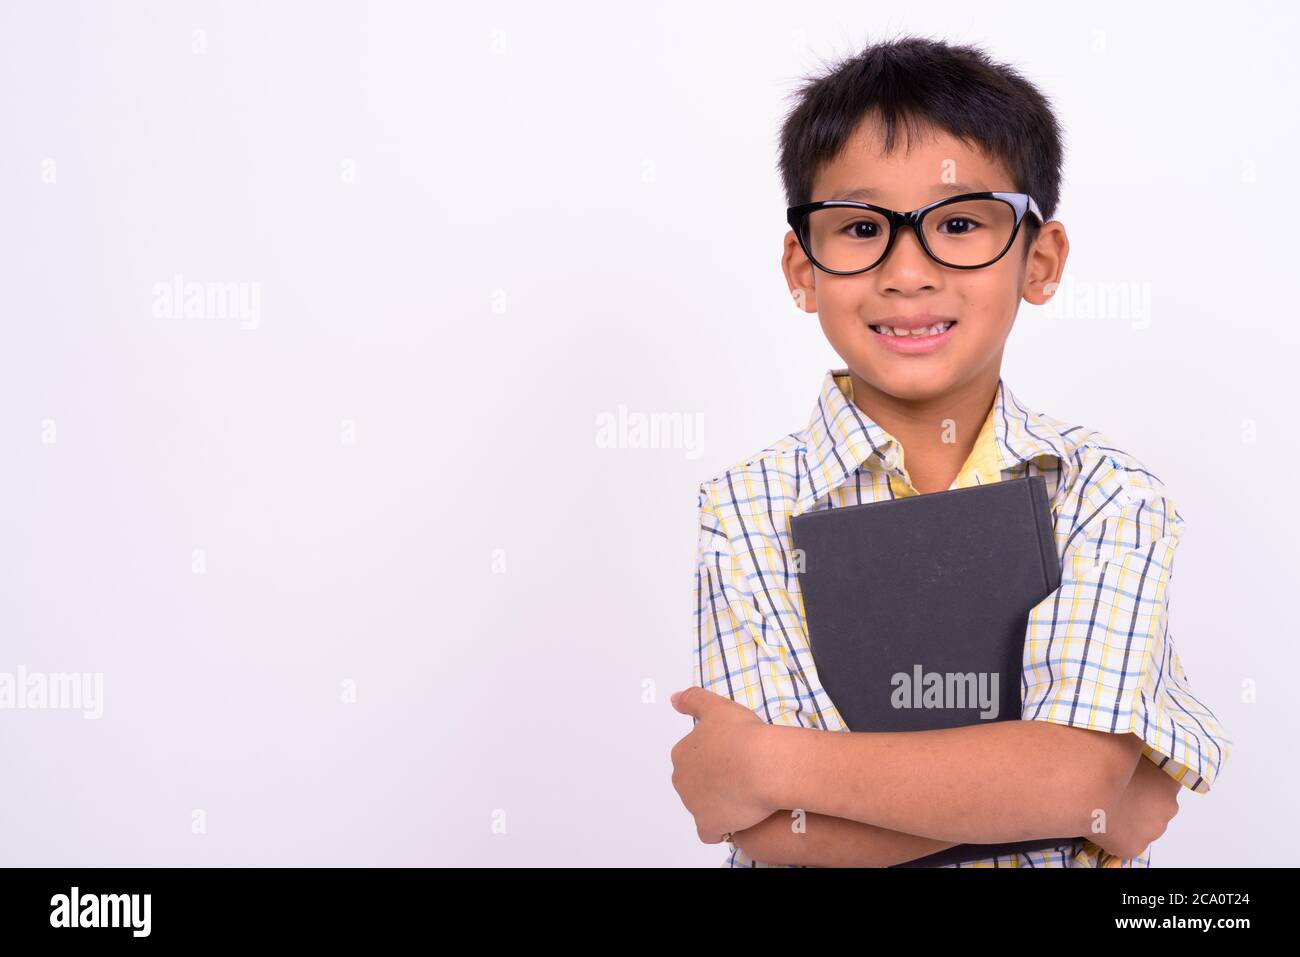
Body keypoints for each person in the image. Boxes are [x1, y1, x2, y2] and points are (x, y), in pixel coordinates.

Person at [668, 36, 1230, 867]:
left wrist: (767, 762)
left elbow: (1066, 781)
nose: (907, 271)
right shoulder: (744, 509)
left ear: (1040, 260)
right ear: (802, 268)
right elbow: (776, 835)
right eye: (861, 227)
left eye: (959, 223)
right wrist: (1086, 799)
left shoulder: (1106, 495)